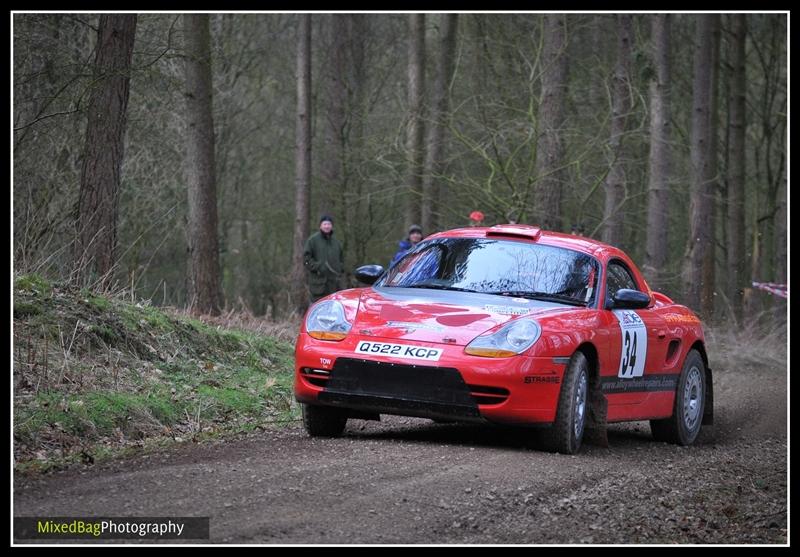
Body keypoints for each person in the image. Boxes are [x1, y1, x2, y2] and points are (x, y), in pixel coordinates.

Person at [303, 215, 344, 303]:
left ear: (331, 226)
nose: (327, 226)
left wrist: (339, 270)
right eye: (324, 224)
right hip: (318, 285)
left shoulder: (337, 243)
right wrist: (318, 267)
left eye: (329, 224)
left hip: (334, 286)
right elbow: (306, 259)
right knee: (317, 310)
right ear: (320, 226)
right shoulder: (312, 241)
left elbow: (341, 261)